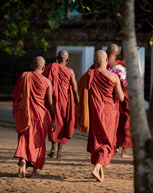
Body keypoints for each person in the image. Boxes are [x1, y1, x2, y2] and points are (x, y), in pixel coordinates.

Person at [13, 56, 55, 178]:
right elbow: (50, 103)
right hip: (41, 115)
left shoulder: (24, 76)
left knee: (24, 138)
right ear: (44, 67)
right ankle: (34, 172)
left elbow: (17, 96)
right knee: (39, 142)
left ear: (32, 65)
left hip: (26, 113)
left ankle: (23, 160)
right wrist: (53, 120)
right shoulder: (47, 82)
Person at [87, 50, 124, 182]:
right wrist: (122, 85)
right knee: (107, 141)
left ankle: (100, 173)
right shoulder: (114, 77)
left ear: (94, 61)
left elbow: (82, 91)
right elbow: (121, 97)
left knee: (98, 139)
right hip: (109, 113)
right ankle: (97, 168)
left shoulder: (90, 75)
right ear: (107, 61)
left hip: (95, 112)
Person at [43, 50, 78, 159]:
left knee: (53, 121)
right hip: (64, 102)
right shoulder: (70, 71)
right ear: (67, 59)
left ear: (56, 57)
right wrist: (77, 100)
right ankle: (59, 152)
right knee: (63, 123)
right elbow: (75, 87)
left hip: (52, 99)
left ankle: (52, 147)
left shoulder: (50, 67)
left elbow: (43, 81)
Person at [106, 44, 132, 157]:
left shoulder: (98, 65)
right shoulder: (119, 68)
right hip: (121, 97)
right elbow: (126, 85)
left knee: (111, 123)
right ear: (117, 53)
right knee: (124, 123)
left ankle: (112, 148)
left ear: (107, 51)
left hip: (105, 100)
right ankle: (123, 151)